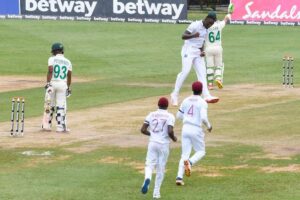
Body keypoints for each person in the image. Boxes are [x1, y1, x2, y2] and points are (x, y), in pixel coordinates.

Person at [171, 11, 219, 106]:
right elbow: (183, 36)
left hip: (197, 52)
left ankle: (206, 96)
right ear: (206, 18)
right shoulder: (195, 25)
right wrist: (193, 35)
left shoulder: (207, 29)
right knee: (185, 71)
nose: (210, 25)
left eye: (212, 24)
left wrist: (202, 51)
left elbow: (202, 41)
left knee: (202, 73)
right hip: (188, 50)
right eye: (210, 22)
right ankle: (174, 94)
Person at [175, 81, 212, 186]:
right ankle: (190, 163)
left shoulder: (186, 100)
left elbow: (178, 116)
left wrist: (187, 117)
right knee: (201, 151)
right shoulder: (202, 102)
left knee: (184, 154)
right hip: (196, 128)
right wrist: (209, 126)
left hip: (185, 128)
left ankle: (179, 177)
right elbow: (204, 118)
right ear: (201, 90)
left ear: (192, 89)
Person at [140, 97, 177, 199]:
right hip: (163, 145)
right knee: (160, 168)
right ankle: (156, 193)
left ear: (158, 105)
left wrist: (152, 134)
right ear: (167, 106)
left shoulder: (151, 114)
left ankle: (147, 178)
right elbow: (170, 131)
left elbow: (142, 130)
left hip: (153, 143)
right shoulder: (170, 116)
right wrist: (174, 138)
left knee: (149, 164)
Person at [42, 42, 72, 133]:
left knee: (49, 104)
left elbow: (50, 71)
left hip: (53, 83)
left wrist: (48, 83)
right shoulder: (68, 62)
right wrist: (68, 87)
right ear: (62, 51)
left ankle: (46, 126)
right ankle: (60, 127)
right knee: (61, 105)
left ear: (54, 51)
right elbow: (69, 76)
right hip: (63, 84)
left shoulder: (51, 59)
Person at [205, 3, 234, 89]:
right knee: (218, 65)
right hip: (218, 48)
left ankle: (210, 85)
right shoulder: (219, 25)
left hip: (208, 48)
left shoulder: (205, 26)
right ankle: (218, 78)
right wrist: (229, 13)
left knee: (209, 66)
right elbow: (225, 20)